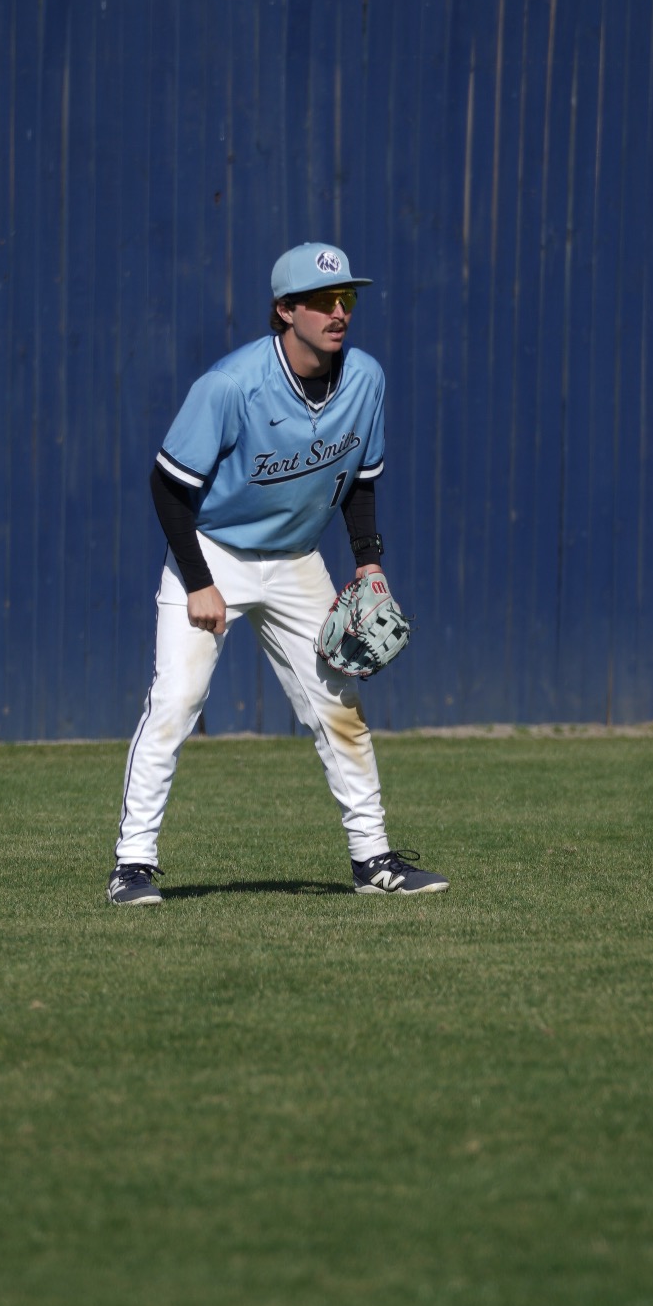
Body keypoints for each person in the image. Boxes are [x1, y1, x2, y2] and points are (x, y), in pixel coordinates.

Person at [106, 241, 449, 905]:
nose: (338, 311)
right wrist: (200, 580)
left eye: (345, 298)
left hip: (297, 561)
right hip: (214, 554)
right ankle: (132, 864)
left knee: (338, 708)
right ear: (286, 311)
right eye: (322, 301)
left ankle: (373, 860)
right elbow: (168, 486)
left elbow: (361, 482)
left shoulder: (366, 380)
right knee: (177, 701)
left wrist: (369, 561)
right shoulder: (231, 386)